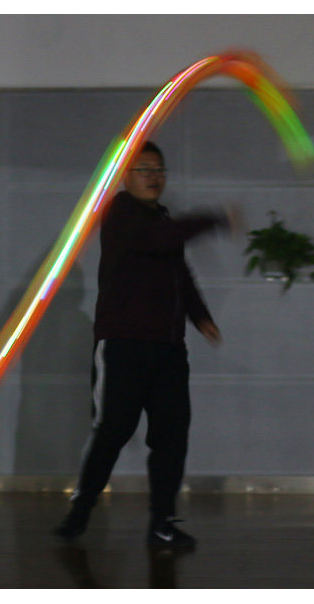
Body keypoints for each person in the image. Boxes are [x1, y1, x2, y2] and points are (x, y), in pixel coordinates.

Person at [53, 142, 231, 553]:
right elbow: (157, 239)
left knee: (171, 437)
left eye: (159, 169)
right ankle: (81, 510)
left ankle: (162, 523)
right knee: (113, 431)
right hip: (124, 346)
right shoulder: (120, 213)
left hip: (168, 349)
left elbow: (179, 272)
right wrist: (214, 218)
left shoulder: (161, 219)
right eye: (144, 169)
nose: (154, 177)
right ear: (125, 177)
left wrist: (199, 316)